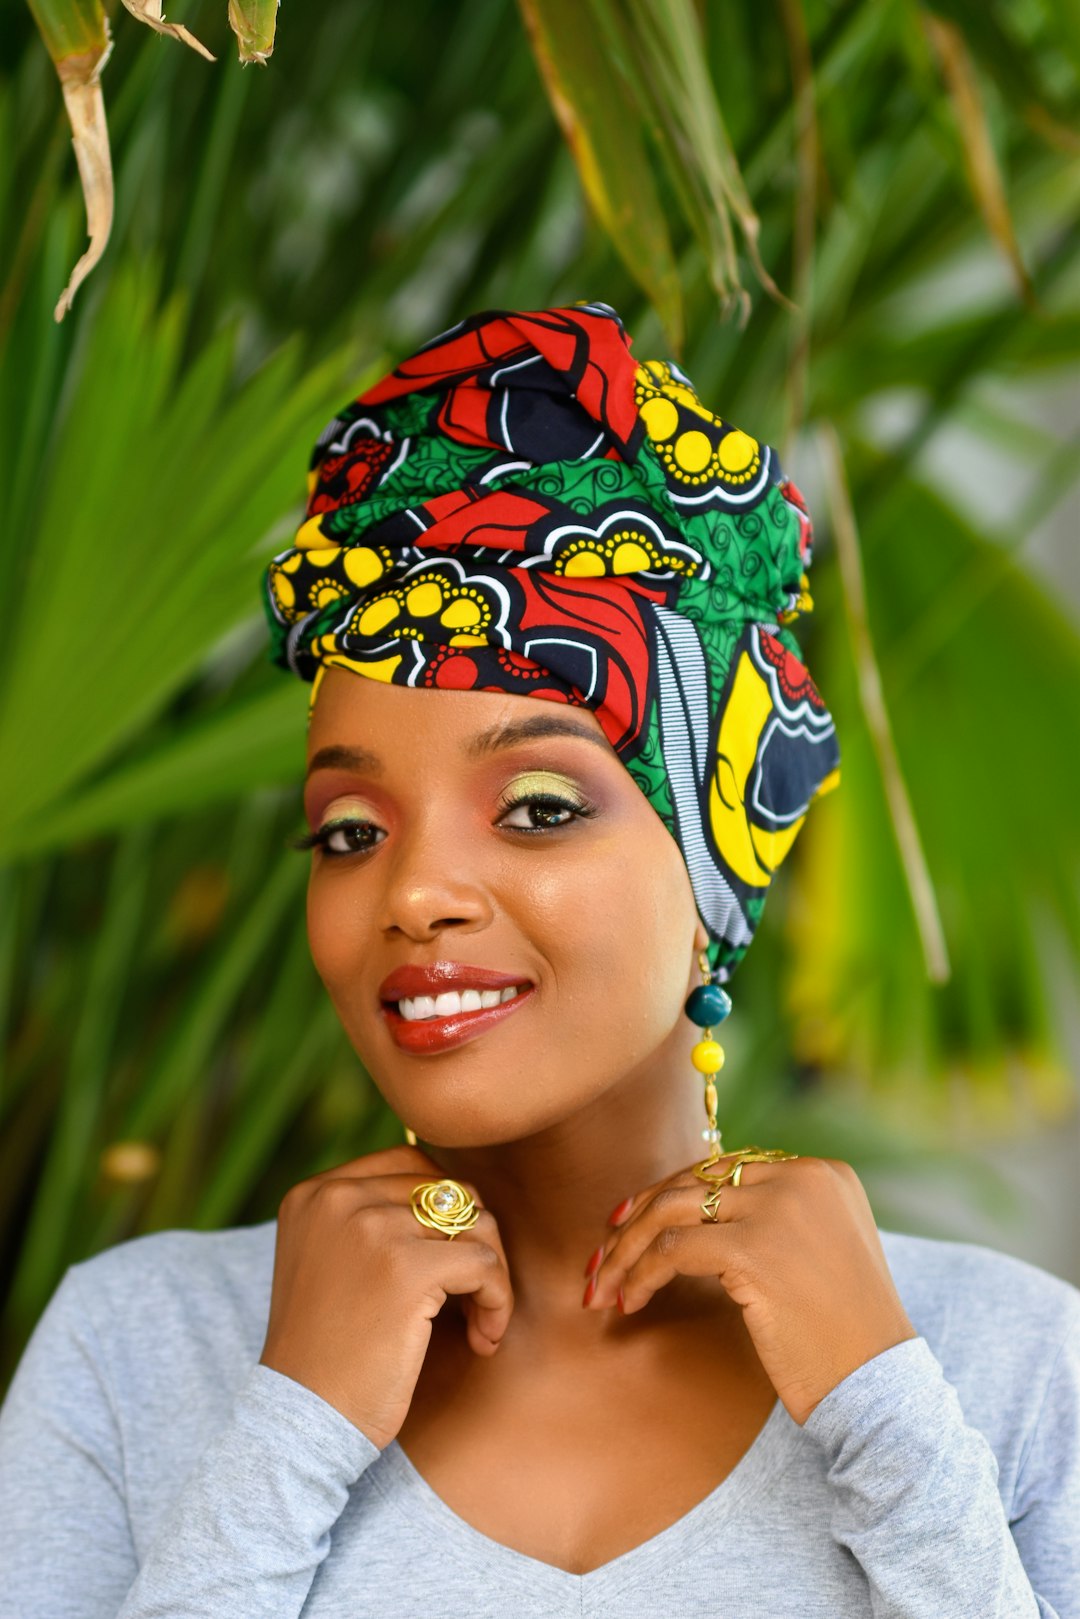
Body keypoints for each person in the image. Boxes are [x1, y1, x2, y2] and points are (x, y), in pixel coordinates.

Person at [0, 302, 1077, 1618]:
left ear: (720, 856)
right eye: (349, 830)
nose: (416, 894)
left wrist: (882, 1410)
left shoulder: (1010, 1365)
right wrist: (293, 1421)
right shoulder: (140, 1346)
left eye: (541, 807)